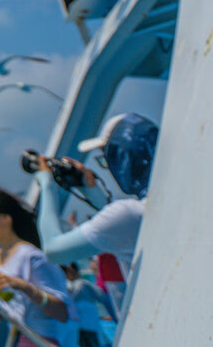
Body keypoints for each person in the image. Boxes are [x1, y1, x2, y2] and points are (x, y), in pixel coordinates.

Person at [33, 112, 158, 280]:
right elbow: (119, 224)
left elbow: (53, 251)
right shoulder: (158, 204)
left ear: (122, 157)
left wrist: (47, 184)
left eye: (107, 158)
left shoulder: (129, 214)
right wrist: (91, 191)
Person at [0, 184, 78, 347]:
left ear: (5, 218)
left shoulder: (31, 257)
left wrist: (23, 286)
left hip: (40, 341)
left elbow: (62, 313)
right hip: (17, 340)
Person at [62, 262, 115, 347]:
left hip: (85, 327)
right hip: (84, 327)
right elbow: (104, 298)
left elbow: (103, 297)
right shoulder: (79, 285)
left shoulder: (82, 284)